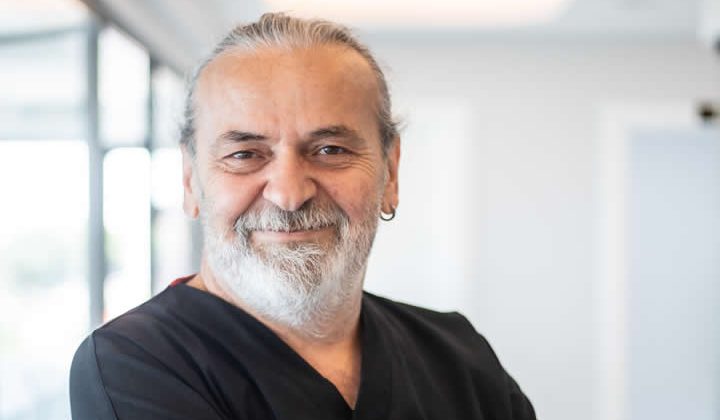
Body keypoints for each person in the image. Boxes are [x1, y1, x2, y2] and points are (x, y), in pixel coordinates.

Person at [70, 12, 536, 420]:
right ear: (191, 181)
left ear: (390, 173)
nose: (289, 194)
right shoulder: (135, 364)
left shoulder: (459, 356)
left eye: (330, 150)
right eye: (245, 154)